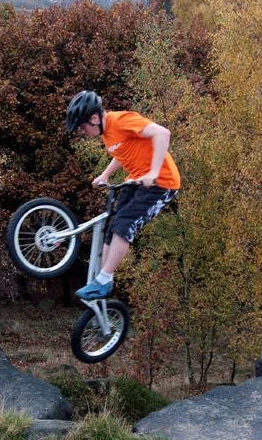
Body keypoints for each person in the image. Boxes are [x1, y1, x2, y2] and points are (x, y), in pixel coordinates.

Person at [66, 90, 181, 300]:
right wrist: (105, 175)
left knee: (125, 224)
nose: (82, 132)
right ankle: (101, 280)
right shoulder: (107, 133)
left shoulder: (121, 120)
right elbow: (122, 152)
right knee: (113, 226)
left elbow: (163, 133)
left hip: (161, 183)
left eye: (83, 127)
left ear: (94, 118)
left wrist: (154, 172)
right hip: (136, 181)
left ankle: (104, 280)